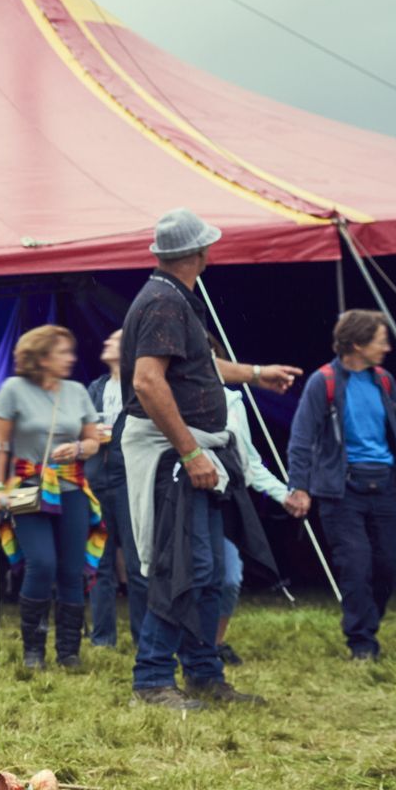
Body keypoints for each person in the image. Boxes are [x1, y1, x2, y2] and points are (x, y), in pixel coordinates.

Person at [121, 209, 299, 710]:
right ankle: (151, 681)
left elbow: (201, 364)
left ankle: (203, 674)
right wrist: (191, 450)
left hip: (190, 453)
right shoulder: (162, 301)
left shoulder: (172, 298)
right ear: (200, 253)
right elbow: (147, 382)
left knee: (211, 570)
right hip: (173, 458)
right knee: (184, 566)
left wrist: (256, 373)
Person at [286, 310, 396, 661]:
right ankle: (362, 642)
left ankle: (367, 623)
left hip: (386, 486)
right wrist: (298, 486)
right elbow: (301, 438)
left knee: (389, 566)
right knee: (356, 565)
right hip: (341, 491)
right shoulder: (324, 381)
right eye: (381, 341)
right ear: (358, 344)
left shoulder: (386, 381)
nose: (387, 348)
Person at [0, 325, 108, 669]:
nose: (71, 358)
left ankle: (69, 653)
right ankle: (33, 651)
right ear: (40, 356)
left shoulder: (76, 391)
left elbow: (94, 441)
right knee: (42, 563)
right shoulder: (13, 389)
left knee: (72, 571)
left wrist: (81, 448)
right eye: (62, 352)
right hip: (28, 487)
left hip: (72, 487)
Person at [217, 383, 290, 663]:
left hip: (227, 498)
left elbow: (248, 460)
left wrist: (284, 495)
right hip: (183, 496)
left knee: (229, 578)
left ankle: (216, 643)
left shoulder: (232, 400)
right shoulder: (167, 392)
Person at [85, 330, 143, 648]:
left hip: (129, 476)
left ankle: (143, 635)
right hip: (96, 478)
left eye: (115, 341)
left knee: (135, 562)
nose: (106, 343)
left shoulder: (139, 386)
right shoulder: (94, 388)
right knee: (100, 562)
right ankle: (102, 637)